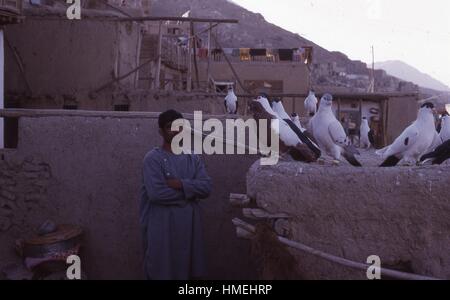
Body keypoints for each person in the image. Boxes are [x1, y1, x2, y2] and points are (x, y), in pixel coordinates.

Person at [139, 109, 212, 280]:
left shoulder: (192, 158)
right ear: (161, 131)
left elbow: (207, 187)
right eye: (170, 127)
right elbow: (157, 193)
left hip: (189, 231)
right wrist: (191, 193)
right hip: (162, 230)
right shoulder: (152, 159)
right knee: (161, 271)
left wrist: (181, 184)